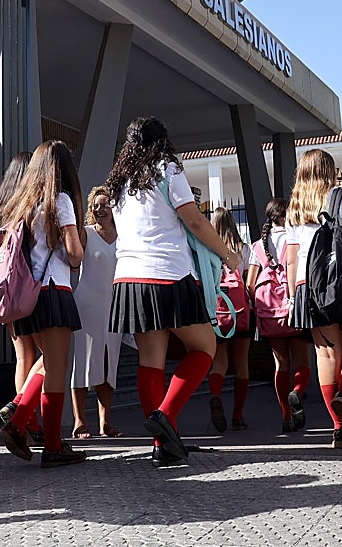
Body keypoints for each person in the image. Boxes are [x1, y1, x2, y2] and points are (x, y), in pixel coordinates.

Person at [103, 117, 240, 467]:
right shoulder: (167, 169)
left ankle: (162, 443)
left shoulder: (119, 183)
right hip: (168, 273)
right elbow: (193, 219)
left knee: (151, 361)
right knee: (205, 346)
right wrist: (228, 255)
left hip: (129, 277)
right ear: (161, 142)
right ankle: (166, 414)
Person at [0, 141, 87, 468]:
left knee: (48, 362)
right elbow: (75, 253)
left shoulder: (22, 202)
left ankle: (21, 421)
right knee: (57, 368)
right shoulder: (58, 200)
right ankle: (50, 445)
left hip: (29, 295)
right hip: (54, 290)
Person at [284, 149, 342, 449]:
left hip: (308, 287)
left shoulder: (295, 206)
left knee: (326, 356)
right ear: (330, 170)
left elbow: (291, 258)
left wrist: (291, 296)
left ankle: (338, 431)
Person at [0, 152, 45, 444]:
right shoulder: (30, 207)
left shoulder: (1, 209)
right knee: (49, 355)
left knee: (23, 356)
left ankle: (28, 422)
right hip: (30, 291)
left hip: (6, 293)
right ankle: (21, 409)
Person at [249, 198, 311, 433]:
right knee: (302, 362)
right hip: (293, 308)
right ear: (287, 216)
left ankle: (286, 415)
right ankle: (297, 391)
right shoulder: (294, 239)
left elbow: (250, 284)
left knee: (280, 364)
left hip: (269, 313)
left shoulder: (258, 246)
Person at [69, 186, 125, 439]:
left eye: (105, 204)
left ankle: (105, 423)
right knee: (83, 359)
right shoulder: (86, 234)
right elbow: (72, 259)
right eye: (96, 205)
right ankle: (79, 421)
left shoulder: (125, 236)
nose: (100, 209)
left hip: (114, 306)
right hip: (87, 304)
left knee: (109, 362)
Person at [206, 207, 252, 434]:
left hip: (217, 312)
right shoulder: (244, 249)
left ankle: (215, 395)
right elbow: (248, 282)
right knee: (242, 362)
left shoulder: (208, 249)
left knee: (219, 361)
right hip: (240, 313)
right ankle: (238, 415)